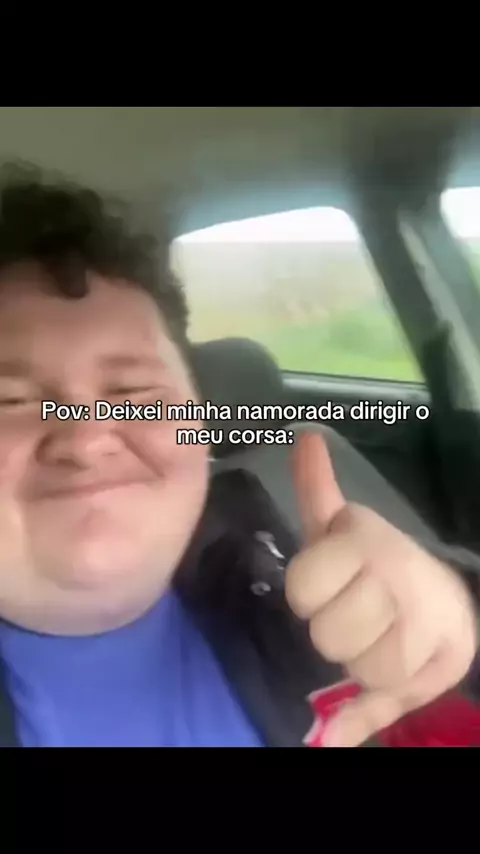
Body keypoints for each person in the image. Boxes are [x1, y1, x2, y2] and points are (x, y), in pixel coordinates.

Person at [0, 164, 477, 749]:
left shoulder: (280, 558)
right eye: (10, 400)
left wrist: (457, 616)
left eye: (133, 393)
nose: (85, 437)